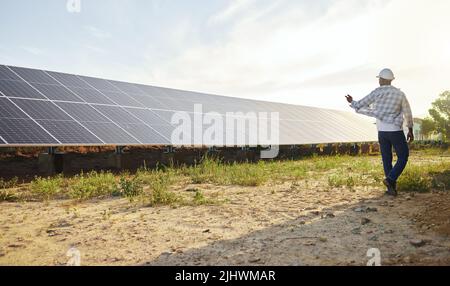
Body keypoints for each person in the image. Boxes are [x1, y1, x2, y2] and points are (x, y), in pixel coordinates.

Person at [345, 68, 414, 197]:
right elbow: (407, 112)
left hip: (382, 131)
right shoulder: (400, 94)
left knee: (386, 158)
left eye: (379, 79)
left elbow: (360, 103)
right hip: (395, 131)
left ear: (382, 80)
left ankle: (390, 187)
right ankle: (390, 180)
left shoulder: (376, 92)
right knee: (403, 156)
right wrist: (410, 129)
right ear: (391, 80)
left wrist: (352, 102)